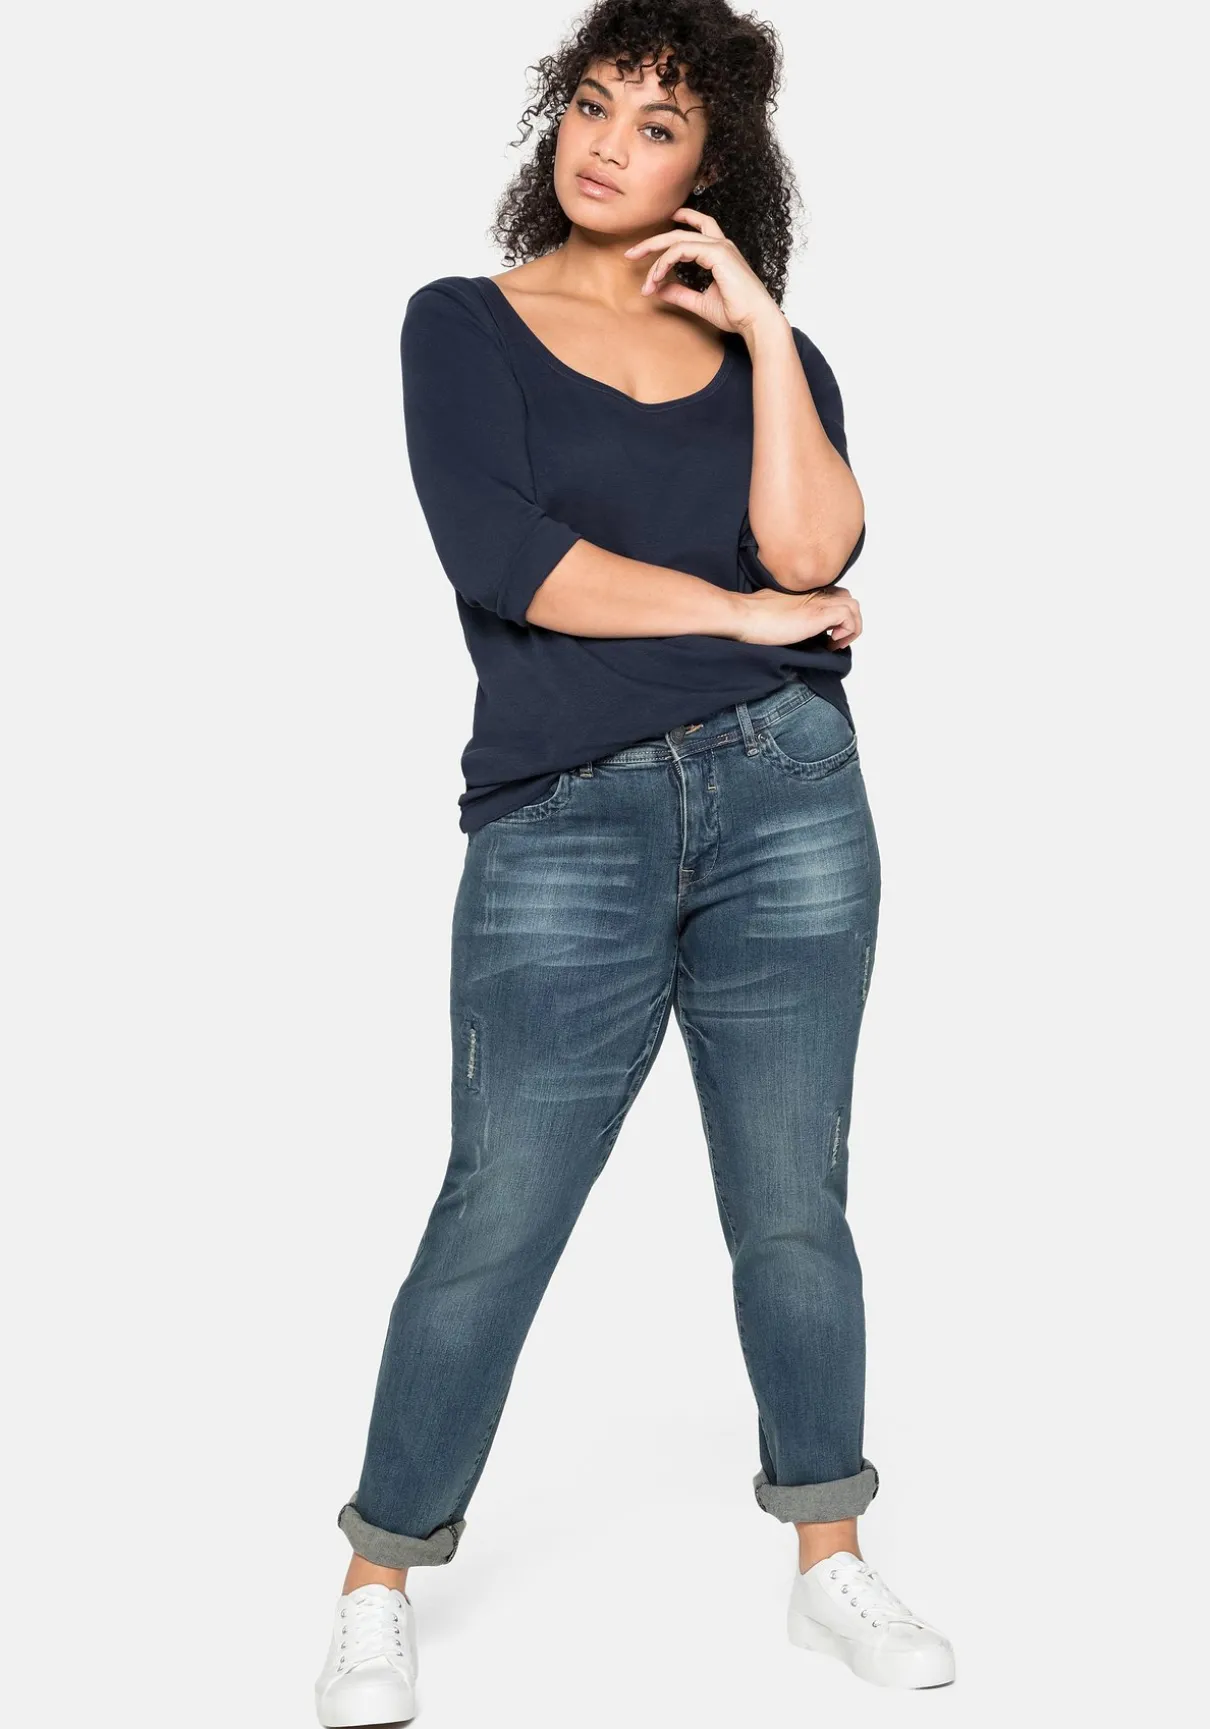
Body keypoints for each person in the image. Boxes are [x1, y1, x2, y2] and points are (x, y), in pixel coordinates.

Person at [315, 6, 955, 1719]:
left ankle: (828, 1559)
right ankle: (380, 1572)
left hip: (789, 799)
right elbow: (507, 559)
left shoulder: (770, 357)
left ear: (712, 167)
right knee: (499, 1205)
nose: (607, 142)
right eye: (592, 105)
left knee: (792, 1201)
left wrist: (763, 330)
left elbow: (813, 549)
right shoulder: (463, 324)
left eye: (656, 124)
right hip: (563, 818)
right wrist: (739, 618)